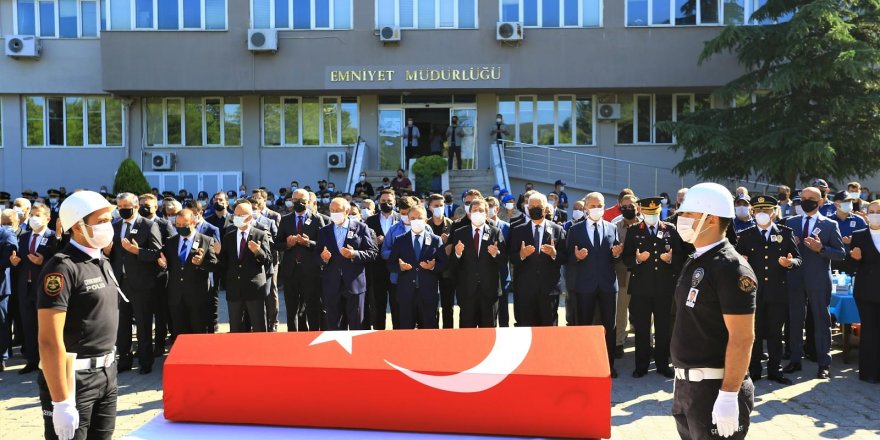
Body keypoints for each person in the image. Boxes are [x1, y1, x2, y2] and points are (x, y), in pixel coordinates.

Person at [669, 182, 757, 440]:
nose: (681, 220)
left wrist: (729, 395)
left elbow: (742, 338)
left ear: (712, 219)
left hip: (715, 388)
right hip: (687, 388)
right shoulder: (697, 259)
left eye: (688, 214)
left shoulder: (731, 268)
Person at [36, 191, 119, 440]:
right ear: (79, 227)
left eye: (109, 219)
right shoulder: (62, 267)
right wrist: (61, 401)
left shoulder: (101, 260)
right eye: (101, 220)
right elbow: (49, 340)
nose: (109, 225)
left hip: (107, 374)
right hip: (74, 380)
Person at [735, 195, 800, 385]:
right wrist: (741, 261)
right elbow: (736, 260)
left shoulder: (785, 233)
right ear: (753, 212)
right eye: (759, 210)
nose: (763, 214)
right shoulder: (746, 235)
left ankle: (775, 370)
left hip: (777, 292)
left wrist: (789, 263)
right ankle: (754, 370)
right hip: (753, 293)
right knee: (754, 332)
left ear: (774, 212)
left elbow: (798, 259)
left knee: (775, 333)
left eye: (767, 210)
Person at [783, 186, 845, 379]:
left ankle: (823, 364)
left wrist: (821, 248)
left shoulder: (829, 224)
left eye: (811, 198)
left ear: (820, 202)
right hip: (794, 278)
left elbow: (841, 254)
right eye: (803, 198)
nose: (805, 201)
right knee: (794, 320)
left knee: (821, 320)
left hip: (818, 279)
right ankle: (794, 359)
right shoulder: (790, 222)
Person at [623, 197, 684, 379]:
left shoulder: (670, 230)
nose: (652, 217)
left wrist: (671, 259)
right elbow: (626, 257)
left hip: (664, 288)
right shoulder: (634, 231)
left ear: (660, 213)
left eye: (655, 214)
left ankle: (662, 364)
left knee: (663, 328)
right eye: (649, 214)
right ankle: (641, 365)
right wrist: (637, 260)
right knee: (642, 328)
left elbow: (681, 255)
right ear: (642, 212)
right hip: (641, 288)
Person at [567, 192, 623, 377]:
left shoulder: (611, 228)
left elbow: (614, 255)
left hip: (608, 284)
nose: (596, 209)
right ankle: (585, 363)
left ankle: (608, 365)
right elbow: (566, 257)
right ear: (585, 208)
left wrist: (616, 254)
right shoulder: (575, 230)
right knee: (585, 326)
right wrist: (576, 257)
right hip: (584, 285)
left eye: (600, 205)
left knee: (610, 325)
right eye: (592, 206)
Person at [108, 193, 162, 374]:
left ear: (136, 206)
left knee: (143, 323)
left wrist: (136, 251)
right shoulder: (114, 226)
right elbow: (111, 255)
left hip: (141, 284)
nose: (122, 209)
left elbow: (156, 253)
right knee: (122, 324)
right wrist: (107, 251)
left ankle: (145, 362)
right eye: (119, 206)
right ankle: (124, 359)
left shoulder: (148, 225)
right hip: (120, 283)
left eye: (125, 205)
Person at [11, 204, 59, 374]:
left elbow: (59, 263)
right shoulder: (23, 238)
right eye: (32, 214)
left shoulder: (54, 238)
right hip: (26, 288)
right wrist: (15, 262)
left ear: (48, 218)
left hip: (45, 288)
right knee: (28, 325)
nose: (33, 218)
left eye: (38, 215)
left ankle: (49, 360)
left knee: (45, 326)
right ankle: (32, 359)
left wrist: (43, 263)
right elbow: (20, 261)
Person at [316, 198, 378, 331]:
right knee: (334, 326)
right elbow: (316, 256)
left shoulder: (361, 228)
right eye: (332, 210)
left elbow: (372, 252)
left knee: (357, 325)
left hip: (354, 284)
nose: (334, 213)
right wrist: (323, 258)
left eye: (338, 210)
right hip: (332, 284)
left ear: (347, 211)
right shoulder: (324, 231)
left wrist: (354, 254)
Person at [508, 193, 566, 327]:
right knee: (526, 330)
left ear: (546, 208)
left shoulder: (557, 230)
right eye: (532, 206)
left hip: (549, 289)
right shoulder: (518, 230)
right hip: (525, 290)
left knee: (549, 331)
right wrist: (521, 254)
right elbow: (511, 257)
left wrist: (554, 253)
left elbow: (565, 257)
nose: (535, 208)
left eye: (539, 206)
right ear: (527, 207)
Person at [157, 209, 217, 337]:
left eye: (184, 225)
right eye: (177, 225)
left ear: (193, 222)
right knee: (179, 334)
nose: (181, 228)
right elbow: (168, 264)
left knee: (199, 331)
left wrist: (202, 262)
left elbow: (215, 265)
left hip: (197, 296)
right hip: (176, 296)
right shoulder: (170, 241)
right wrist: (163, 264)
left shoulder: (205, 240)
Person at [448, 197, 505, 328]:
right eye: (474, 210)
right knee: (467, 333)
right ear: (469, 212)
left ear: (486, 213)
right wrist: (457, 253)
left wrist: (496, 254)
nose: (477, 212)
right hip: (467, 291)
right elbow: (452, 264)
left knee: (489, 331)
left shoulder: (496, 232)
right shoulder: (459, 233)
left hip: (489, 291)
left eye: (481, 210)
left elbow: (504, 261)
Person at [217, 200, 273, 333]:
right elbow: (224, 264)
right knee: (236, 328)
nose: (236, 218)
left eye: (240, 215)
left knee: (258, 326)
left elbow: (269, 261)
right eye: (235, 214)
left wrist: (258, 252)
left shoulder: (260, 234)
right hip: (234, 289)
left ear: (249, 217)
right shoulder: (228, 236)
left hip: (254, 289)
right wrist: (218, 253)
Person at [388, 205, 447, 329]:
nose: (416, 220)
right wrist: (400, 267)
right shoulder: (400, 240)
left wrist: (432, 267)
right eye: (413, 218)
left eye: (420, 218)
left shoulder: (436, 240)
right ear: (408, 220)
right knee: (406, 329)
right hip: (406, 293)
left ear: (426, 219)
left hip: (428, 293)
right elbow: (391, 264)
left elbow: (444, 263)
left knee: (429, 329)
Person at [275, 189, 326, 332]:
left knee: (312, 306)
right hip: (291, 271)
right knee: (292, 309)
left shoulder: (316, 219)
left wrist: (308, 243)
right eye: (295, 200)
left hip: (310, 271)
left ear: (309, 201)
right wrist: (287, 244)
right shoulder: (285, 219)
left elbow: (323, 244)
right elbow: (277, 244)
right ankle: (294, 337)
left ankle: (314, 334)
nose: (299, 203)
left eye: (302, 200)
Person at [847, 201, 880, 383]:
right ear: (866, 214)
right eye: (872, 211)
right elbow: (850, 265)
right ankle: (869, 372)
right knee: (869, 331)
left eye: (879, 212)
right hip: (866, 291)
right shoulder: (859, 235)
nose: (875, 214)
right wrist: (855, 258)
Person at [380, 196, 421, 329]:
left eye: (407, 213)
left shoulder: (425, 228)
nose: (405, 216)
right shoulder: (394, 229)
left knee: (421, 317)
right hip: (398, 279)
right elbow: (384, 251)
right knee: (399, 317)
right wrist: (398, 257)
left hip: (419, 280)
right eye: (402, 214)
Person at [365, 190, 400, 330]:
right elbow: (366, 243)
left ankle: (398, 332)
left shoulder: (400, 219)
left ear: (395, 202)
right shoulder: (371, 220)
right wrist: (376, 242)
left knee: (396, 303)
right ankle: (379, 333)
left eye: (390, 201)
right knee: (378, 303)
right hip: (377, 268)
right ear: (378, 203)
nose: (387, 204)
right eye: (383, 201)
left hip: (396, 267)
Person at [612, 194, 641, 358]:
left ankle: (645, 342)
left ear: (638, 207)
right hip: (623, 273)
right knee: (621, 310)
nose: (628, 208)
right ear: (620, 207)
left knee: (644, 311)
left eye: (632, 205)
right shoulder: (614, 226)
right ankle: (618, 342)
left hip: (643, 273)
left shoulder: (645, 224)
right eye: (625, 206)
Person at [426, 194, 456, 328]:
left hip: (447, 271)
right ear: (429, 207)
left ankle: (448, 331)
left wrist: (448, 245)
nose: (439, 208)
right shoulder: (425, 224)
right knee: (431, 304)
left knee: (447, 304)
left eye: (441, 205)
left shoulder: (452, 224)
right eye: (436, 206)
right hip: (430, 269)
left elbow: (455, 248)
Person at [486, 197, 512, 327]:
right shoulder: (482, 226)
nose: (490, 208)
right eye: (488, 206)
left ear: (497, 208)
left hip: (502, 273)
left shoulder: (507, 227)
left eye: (492, 206)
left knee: (503, 309)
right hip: (486, 275)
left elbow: (510, 250)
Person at [0, 208, 19, 371]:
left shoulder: (7, 235)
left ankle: (2, 357)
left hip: (1, 287)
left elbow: (9, 259)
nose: (5, 225)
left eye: (8, 223)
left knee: (3, 322)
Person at [830, 190, 867, 274]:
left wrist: (854, 240)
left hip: (853, 260)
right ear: (836, 204)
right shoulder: (828, 220)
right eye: (845, 201)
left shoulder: (859, 220)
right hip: (833, 260)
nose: (849, 203)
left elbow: (867, 239)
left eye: (850, 200)